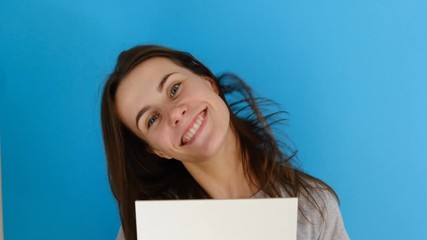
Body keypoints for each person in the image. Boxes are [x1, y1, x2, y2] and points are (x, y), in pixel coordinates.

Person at [101, 45, 349, 240]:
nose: (175, 114)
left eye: (174, 88)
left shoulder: (312, 207)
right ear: (157, 150)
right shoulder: (147, 230)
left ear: (209, 83)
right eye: (152, 119)